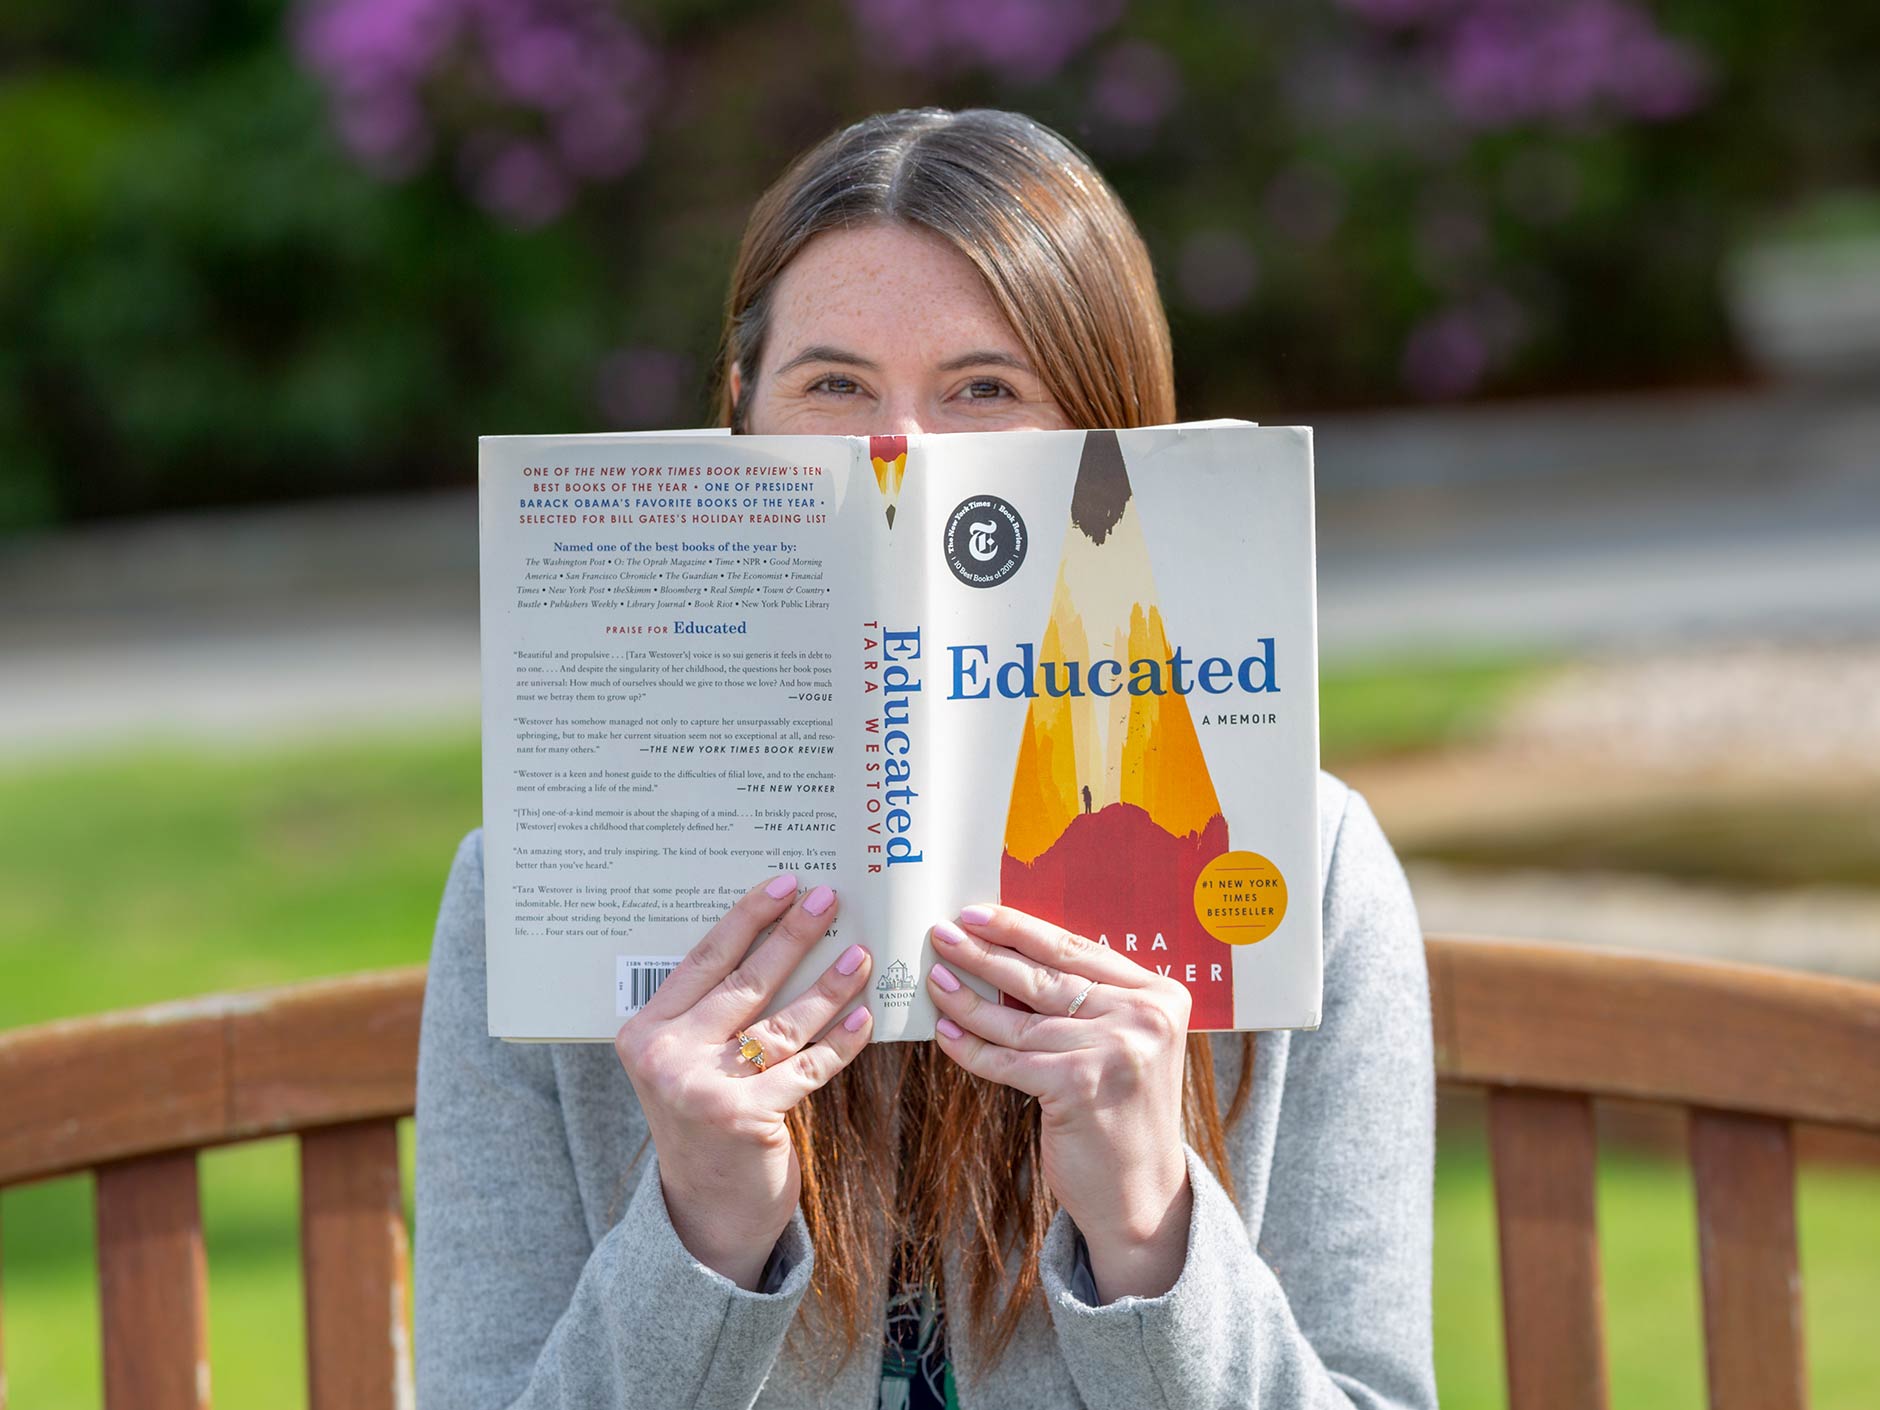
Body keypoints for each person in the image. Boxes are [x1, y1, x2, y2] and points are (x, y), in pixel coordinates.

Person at [414, 107, 1436, 1410]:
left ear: (1105, 434)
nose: (902, 456)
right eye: (834, 386)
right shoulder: (530, 891)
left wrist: (1150, 1232)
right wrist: (698, 1238)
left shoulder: (1314, 865)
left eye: (984, 389)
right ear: (739, 415)